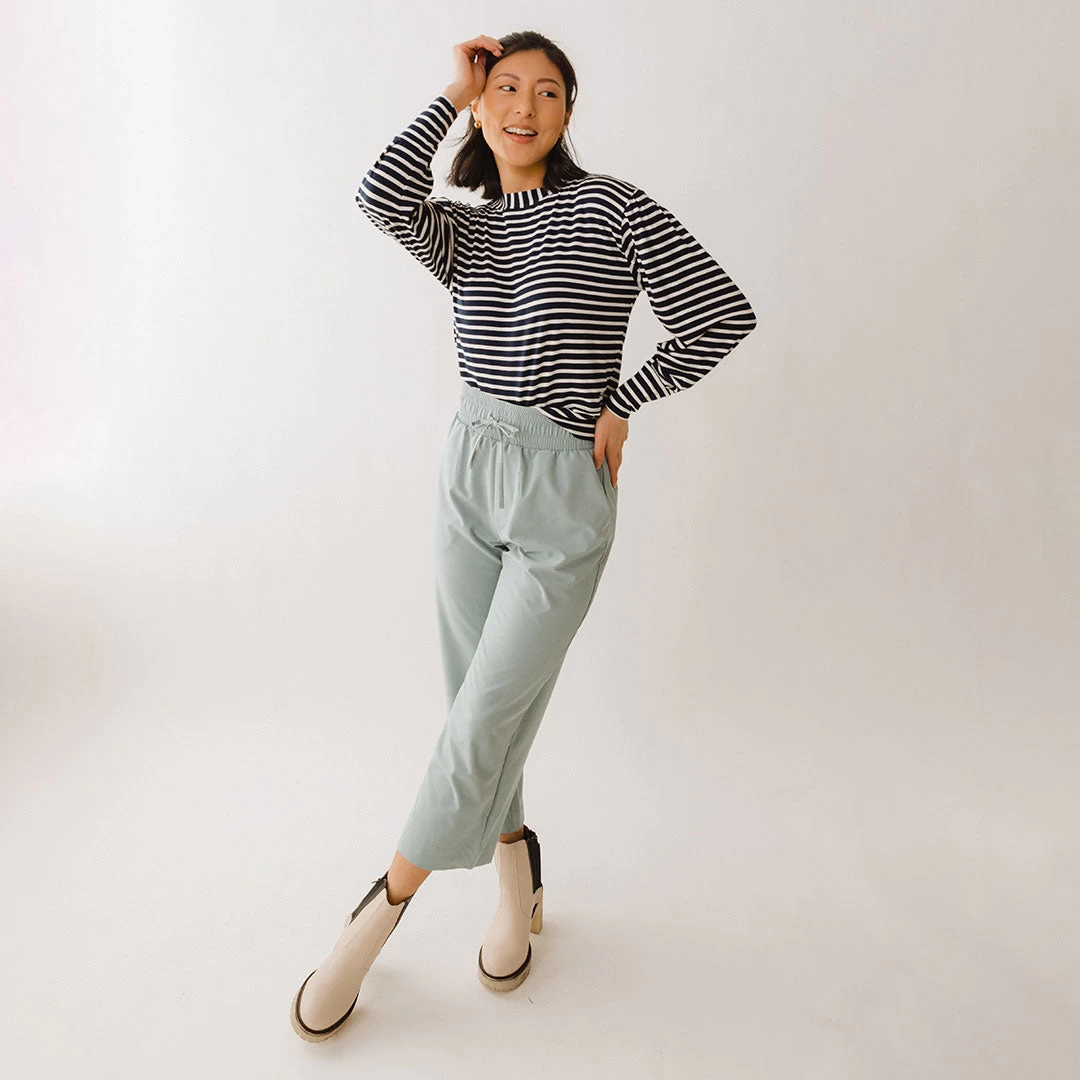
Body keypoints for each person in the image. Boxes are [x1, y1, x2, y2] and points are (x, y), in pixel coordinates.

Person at [290, 29, 757, 1042]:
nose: (524, 107)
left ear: (569, 113)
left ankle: (375, 918)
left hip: (561, 493)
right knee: (475, 706)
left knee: (481, 722)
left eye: (548, 92)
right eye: (505, 88)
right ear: (482, 102)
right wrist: (448, 93)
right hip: (469, 471)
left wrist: (627, 399)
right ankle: (515, 872)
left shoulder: (613, 209)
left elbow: (721, 313)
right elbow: (380, 195)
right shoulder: (468, 230)